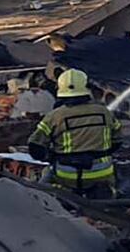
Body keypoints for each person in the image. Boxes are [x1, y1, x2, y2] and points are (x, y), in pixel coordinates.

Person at [27, 69, 123, 197]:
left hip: (67, 173)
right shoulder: (104, 112)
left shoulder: (54, 116)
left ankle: (58, 194)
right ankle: (110, 193)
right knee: (112, 180)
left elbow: (35, 147)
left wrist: (51, 157)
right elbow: (118, 140)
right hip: (101, 172)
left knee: (44, 183)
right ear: (86, 87)